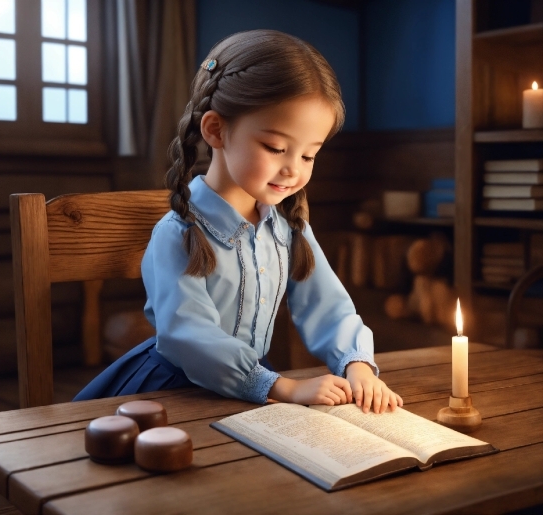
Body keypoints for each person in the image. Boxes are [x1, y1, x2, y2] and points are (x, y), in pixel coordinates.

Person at [74, 29, 403, 414]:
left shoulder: (288, 227)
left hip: (252, 390)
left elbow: (328, 304)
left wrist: (357, 365)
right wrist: (285, 388)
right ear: (215, 129)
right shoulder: (177, 233)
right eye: (276, 148)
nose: (292, 170)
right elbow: (189, 337)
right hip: (174, 393)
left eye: (309, 155)